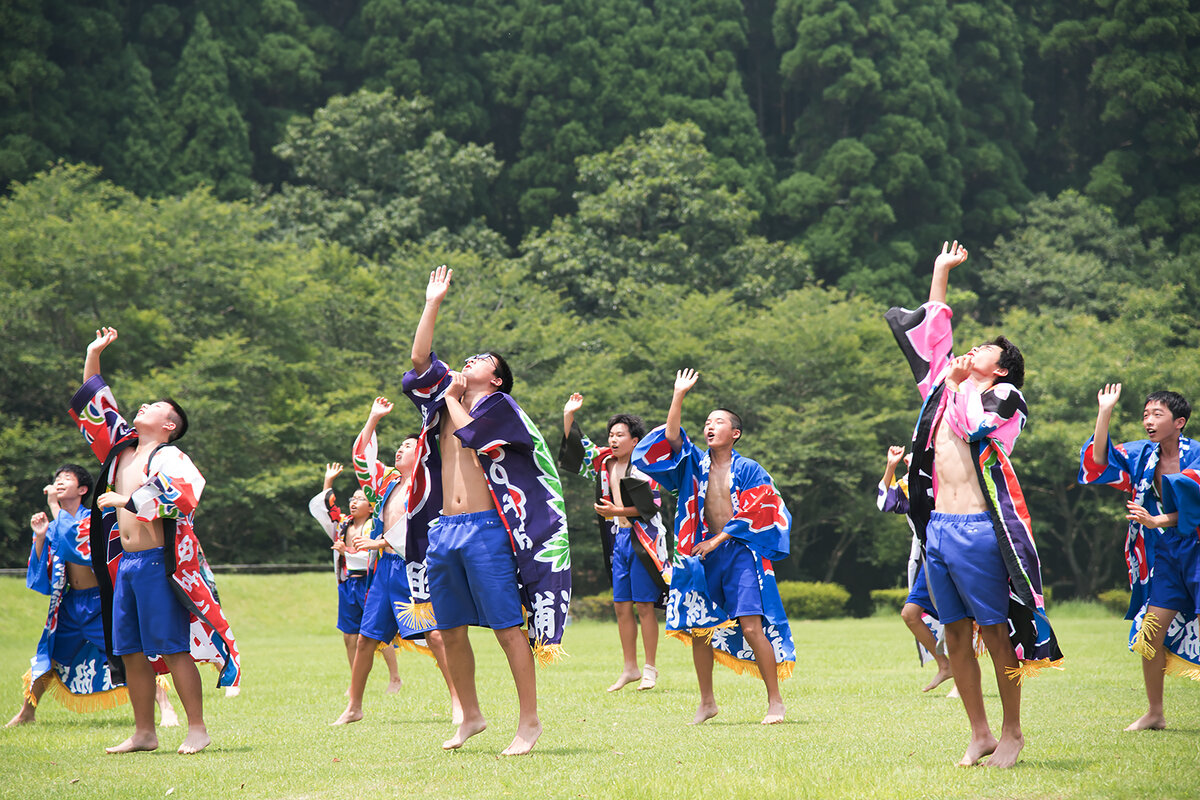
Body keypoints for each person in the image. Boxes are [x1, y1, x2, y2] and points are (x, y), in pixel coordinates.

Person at [885, 240, 1062, 768]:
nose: (972, 349)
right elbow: (932, 340)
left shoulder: (1005, 400)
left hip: (979, 528)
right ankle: (979, 732)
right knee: (956, 633)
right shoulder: (949, 387)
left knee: (993, 632)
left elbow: (976, 427)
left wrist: (959, 385)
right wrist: (940, 271)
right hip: (937, 527)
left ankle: (1012, 733)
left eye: (985, 348)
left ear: (1001, 369)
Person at [403, 265, 571, 755]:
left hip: (486, 530)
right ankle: (471, 715)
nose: (468, 360)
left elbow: (473, 439)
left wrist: (453, 396)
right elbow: (419, 359)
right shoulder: (445, 399)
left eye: (480, 360)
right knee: (448, 628)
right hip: (444, 530)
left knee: (505, 628)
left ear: (495, 377)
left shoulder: (500, 407)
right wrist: (433, 300)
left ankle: (529, 722)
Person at [69, 327, 240, 755]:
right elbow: (95, 405)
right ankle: (144, 732)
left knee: (172, 647)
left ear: (168, 425)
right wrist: (94, 354)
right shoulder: (122, 450)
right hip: (123, 565)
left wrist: (128, 499)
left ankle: (197, 727)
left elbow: (184, 493)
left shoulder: (168, 456)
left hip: (157, 563)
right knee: (129, 650)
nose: (143, 405)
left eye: (156, 406)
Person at [632, 368, 793, 725]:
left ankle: (775, 702)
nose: (709, 426)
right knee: (699, 627)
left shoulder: (750, 469)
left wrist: (719, 538)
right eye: (707, 422)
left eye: (718, 422)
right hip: (698, 557)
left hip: (740, 553)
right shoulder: (692, 463)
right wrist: (678, 395)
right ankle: (707, 703)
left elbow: (759, 510)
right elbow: (670, 439)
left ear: (734, 433)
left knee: (752, 627)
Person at [7, 466, 177, 727]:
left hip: (99, 604)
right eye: (57, 480)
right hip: (69, 605)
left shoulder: (93, 520)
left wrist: (54, 507)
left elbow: (76, 544)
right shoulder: (55, 525)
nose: (59, 483)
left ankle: (166, 708)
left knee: (129, 653)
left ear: (83, 489)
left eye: (66, 479)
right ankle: (27, 712)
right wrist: (40, 538)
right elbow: (42, 573)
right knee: (49, 656)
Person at [328, 397, 460, 726]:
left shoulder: (427, 484)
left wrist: (381, 540)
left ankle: (459, 701)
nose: (399, 450)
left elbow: (422, 524)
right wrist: (373, 418)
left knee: (436, 636)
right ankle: (354, 706)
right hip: (383, 571)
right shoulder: (388, 483)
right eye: (398, 446)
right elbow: (361, 457)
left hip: (413, 569)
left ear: (422, 455)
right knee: (365, 638)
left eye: (407, 446)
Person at [1079, 385, 1200, 729]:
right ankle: (1155, 712)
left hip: (1197, 549)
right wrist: (1105, 411)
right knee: (1150, 633)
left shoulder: (1197, 457)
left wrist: (1159, 519)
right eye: (1146, 414)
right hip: (1164, 554)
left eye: (1157, 414)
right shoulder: (1142, 455)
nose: (1149, 421)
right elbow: (1099, 461)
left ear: (1179, 422)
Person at [560, 393, 672, 692]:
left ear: (634, 441)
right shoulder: (604, 462)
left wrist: (617, 511)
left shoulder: (645, 466)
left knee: (644, 606)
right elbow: (578, 448)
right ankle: (630, 668)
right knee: (621, 606)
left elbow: (652, 506)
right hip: (617, 538)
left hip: (642, 540)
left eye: (620, 435)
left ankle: (650, 668)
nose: (613, 439)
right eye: (611, 434)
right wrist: (569, 415)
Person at [307, 463, 403, 699]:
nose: (354, 501)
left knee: (376, 632)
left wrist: (345, 551)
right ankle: (355, 682)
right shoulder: (343, 525)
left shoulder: (374, 527)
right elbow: (325, 509)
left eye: (360, 499)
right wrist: (328, 481)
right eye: (352, 498)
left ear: (371, 508)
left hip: (370, 583)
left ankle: (395, 677)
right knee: (349, 635)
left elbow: (368, 554)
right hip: (348, 585)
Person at [877, 446, 956, 695]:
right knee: (911, 614)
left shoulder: (946, 478)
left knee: (963, 618)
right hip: (930, 555)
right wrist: (891, 465)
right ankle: (946, 666)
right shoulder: (908, 485)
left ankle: (966, 676)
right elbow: (884, 502)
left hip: (957, 551)